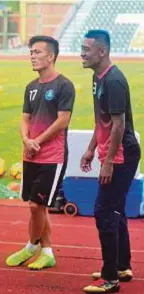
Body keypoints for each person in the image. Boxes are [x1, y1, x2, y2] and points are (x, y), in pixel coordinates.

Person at [5, 36, 75, 270]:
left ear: (51, 56)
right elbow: (25, 118)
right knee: (38, 206)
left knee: (36, 206)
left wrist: (37, 141)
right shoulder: (31, 87)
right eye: (31, 52)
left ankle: (31, 245)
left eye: (37, 52)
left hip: (52, 156)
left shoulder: (64, 85)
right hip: (31, 153)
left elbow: (63, 120)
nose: (32, 56)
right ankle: (46, 251)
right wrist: (26, 139)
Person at [80, 30, 140, 293]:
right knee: (115, 209)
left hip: (122, 154)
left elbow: (119, 124)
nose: (82, 53)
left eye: (86, 49)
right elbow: (101, 120)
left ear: (102, 52)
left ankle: (110, 279)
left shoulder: (114, 80)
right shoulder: (98, 77)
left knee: (104, 211)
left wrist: (109, 161)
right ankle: (121, 267)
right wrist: (91, 149)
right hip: (114, 153)